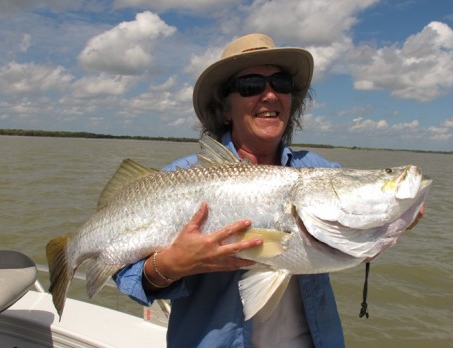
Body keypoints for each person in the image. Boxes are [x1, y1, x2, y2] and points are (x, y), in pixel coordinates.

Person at [114, 33, 346, 347]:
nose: (270, 95)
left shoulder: (319, 173)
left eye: (281, 84)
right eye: (251, 86)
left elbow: (361, 213)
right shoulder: (176, 178)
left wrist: (401, 209)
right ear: (225, 108)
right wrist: (168, 266)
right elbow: (123, 272)